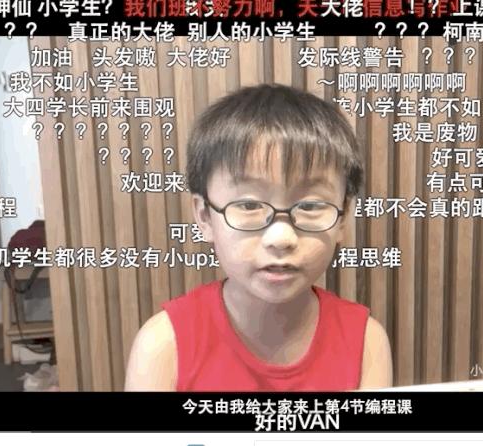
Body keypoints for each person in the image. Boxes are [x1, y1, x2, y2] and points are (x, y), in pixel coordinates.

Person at [124, 84, 392, 391]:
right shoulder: (163, 346)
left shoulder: (366, 342)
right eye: (249, 205)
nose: (281, 237)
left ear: (343, 216)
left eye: (310, 206)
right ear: (204, 216)